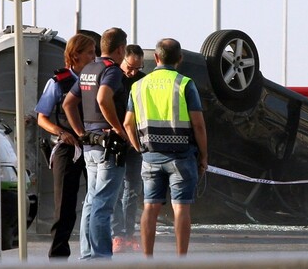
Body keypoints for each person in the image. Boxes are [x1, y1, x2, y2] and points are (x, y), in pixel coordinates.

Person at [124, 38, 208, 257]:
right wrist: (204, 156)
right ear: (179, 59)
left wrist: (138, 148)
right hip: (181, 157)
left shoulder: (138, 86)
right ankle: (181, 259)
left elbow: (127, 123)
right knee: (181, 209)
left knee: (150, 208)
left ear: (157, 58)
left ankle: (147, 259)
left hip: (150, 157)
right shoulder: (185, 84)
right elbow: (198, 124)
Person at [62, 27, 129, 260]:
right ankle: (101, 257)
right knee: (103, 204)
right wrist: (119, 130)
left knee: (91, 201)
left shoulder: (89, 69)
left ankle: (88, 255)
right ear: (121, 49)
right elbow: (103, 98)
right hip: (108, 146)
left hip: (90, 145)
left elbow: (68, 104)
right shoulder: (112, 71)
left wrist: (81, 131)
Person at [34, 33, 97, 259]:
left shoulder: (96, 79)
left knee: (97, 200)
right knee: (65, 206)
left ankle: (94, 253)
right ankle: (58, 256)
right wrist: (61, 132)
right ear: (75, 55)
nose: (94, 56)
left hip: (93, 146)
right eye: (90, 52)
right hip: (67, 147)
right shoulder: (58, 82)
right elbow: (42, 117)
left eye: (95, 52)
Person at [111, 44, 145, 253]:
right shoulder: (113, 77)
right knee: (115, 189)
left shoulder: (142, 80)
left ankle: (129, 232)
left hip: (135, 142)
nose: (132, 72)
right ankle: (117, 234)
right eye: (130, 67)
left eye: (136, 68)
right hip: (115, 139)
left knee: (133, 189)